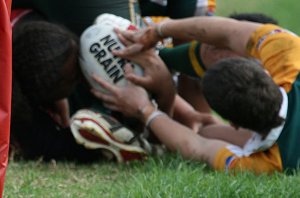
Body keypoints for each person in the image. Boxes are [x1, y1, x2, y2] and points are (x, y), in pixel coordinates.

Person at [89, 15, 300, 174]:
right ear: (265, 72)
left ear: (234, 124)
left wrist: (143, 108)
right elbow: (230, 31)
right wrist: (155, 33)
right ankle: (163, 61)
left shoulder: (271, 163)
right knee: (207, 128)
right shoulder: (291, 56)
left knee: (207, 133)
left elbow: (198, 147)